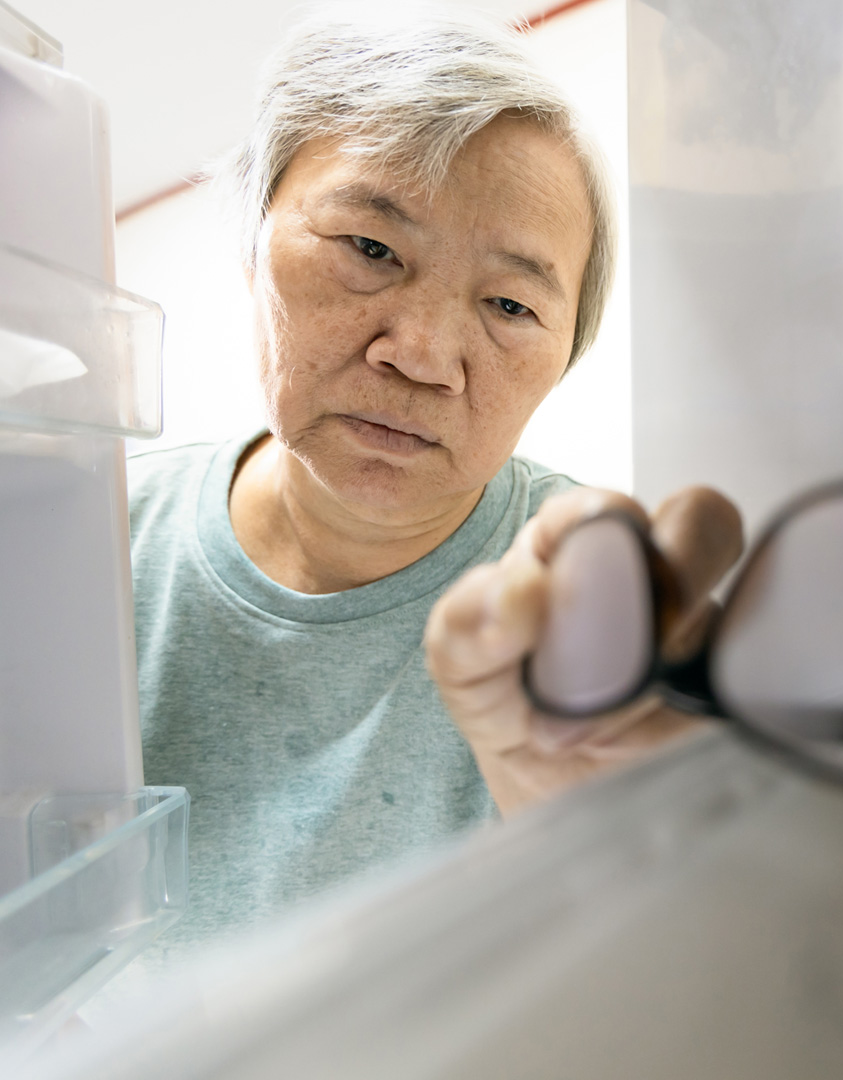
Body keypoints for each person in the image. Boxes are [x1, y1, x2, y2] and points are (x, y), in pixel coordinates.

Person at [127, 10, 742, 955]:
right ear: (253, 247)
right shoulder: (88, 541)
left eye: (509, 304)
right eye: (370, 249)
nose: (421, 356)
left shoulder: (598, 617)